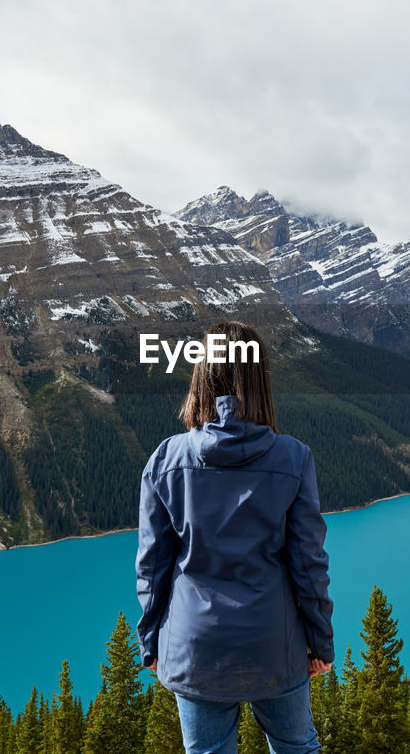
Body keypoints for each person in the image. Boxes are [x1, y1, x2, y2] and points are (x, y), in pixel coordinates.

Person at [136, 321, 335, 754]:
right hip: (274, 646)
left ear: (200, 377)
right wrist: (320, 641)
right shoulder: (293, 457)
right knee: (297, 747)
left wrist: (150, 642)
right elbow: (308, 562)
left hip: (195, 647)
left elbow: (152, 567)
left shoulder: (165, 459)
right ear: (259, 379)